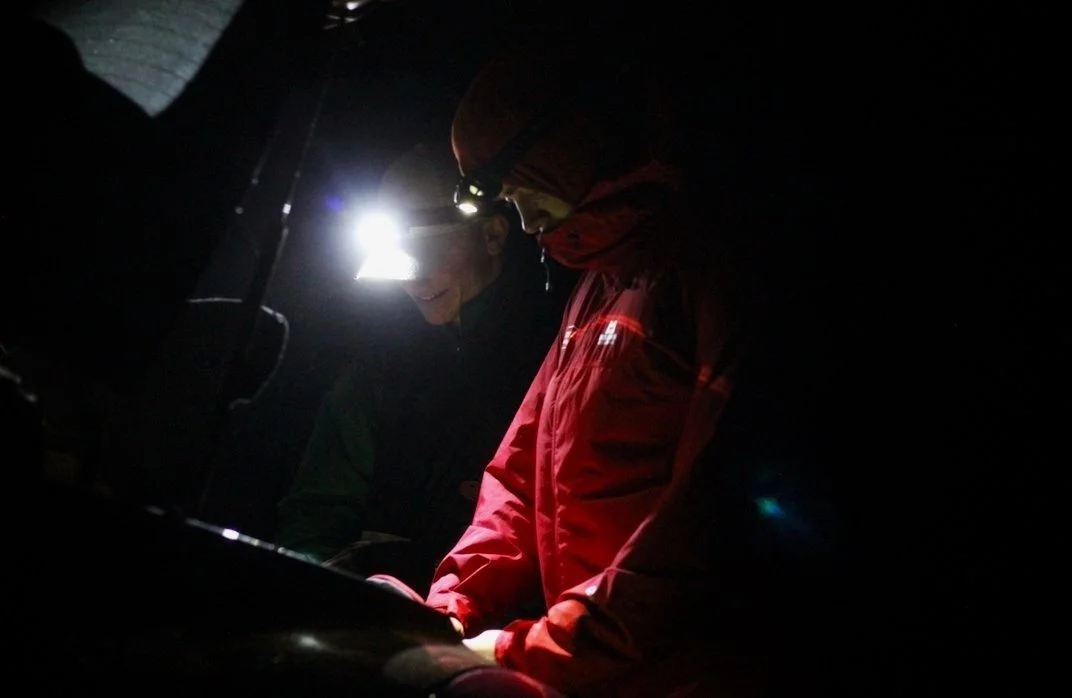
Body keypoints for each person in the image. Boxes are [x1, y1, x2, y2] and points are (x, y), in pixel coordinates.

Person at [423, 41, 827, 697]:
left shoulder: (716, 266)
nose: (524, 223)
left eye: (528, 191)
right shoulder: (596, 284)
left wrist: (535, 646)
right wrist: (449, 603)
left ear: (571, 155)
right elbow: (520, 473)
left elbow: (708, 523)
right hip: (592, 669)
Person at [275, 141, 572, 593]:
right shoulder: (378, 368)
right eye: (395, 251)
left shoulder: (556, 349)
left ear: (492, 235)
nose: (411, 275)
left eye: (429, 246)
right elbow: (315, 515)